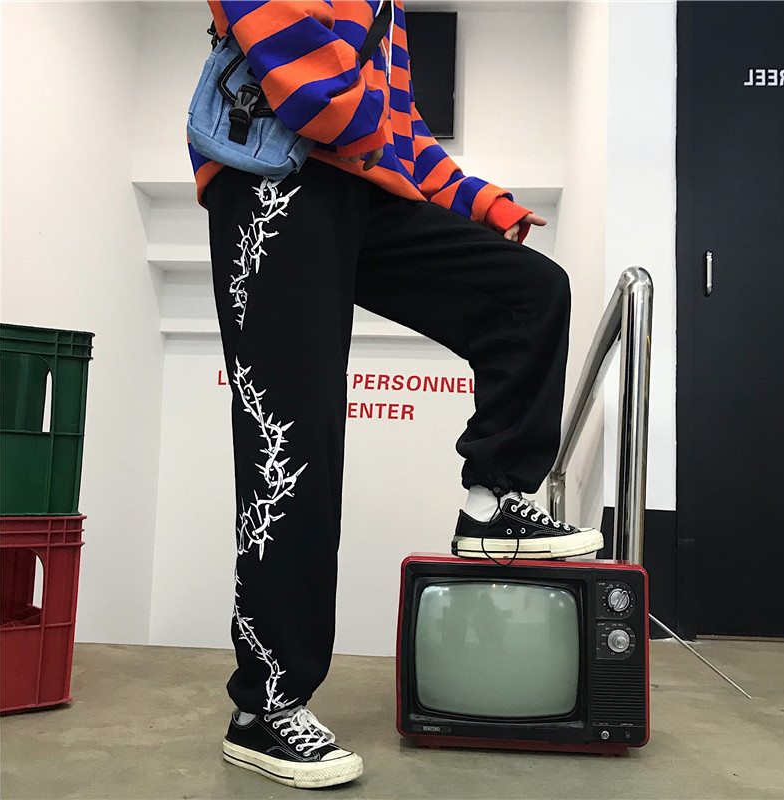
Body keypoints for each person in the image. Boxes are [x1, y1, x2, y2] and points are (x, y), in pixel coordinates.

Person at [188, 0, 603, 789]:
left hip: (359, 190)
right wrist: (375, 123)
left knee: (530, 293)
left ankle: (491, 503)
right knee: (292, 444)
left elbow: (399, 128)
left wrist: (480, 203)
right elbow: (310, 91)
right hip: (273, 180)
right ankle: (265, 707)